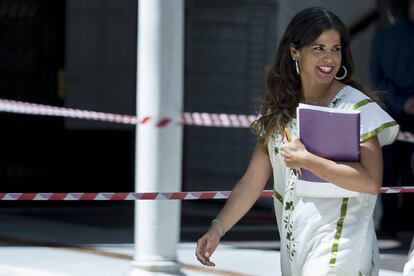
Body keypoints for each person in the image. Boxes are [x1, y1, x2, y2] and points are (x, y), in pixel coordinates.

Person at [195, 7, 400, 276]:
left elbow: (370, 181)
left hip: (342, 245)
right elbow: (252, 181)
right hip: (296, 247)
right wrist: (217, 228)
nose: (329, 58)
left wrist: (308, 160)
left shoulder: (356, 107)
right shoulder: (279, 112)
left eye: (335, 49)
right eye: (318, 48)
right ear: (295, 52)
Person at [370, 0, 414, 237]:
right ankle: (408, 217)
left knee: (388, 167)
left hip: (389, 114)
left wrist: (401, 101)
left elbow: (376, 80)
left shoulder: (382, 39)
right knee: (409, 167)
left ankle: (388, 223)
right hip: (411, 114)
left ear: (389, 13)